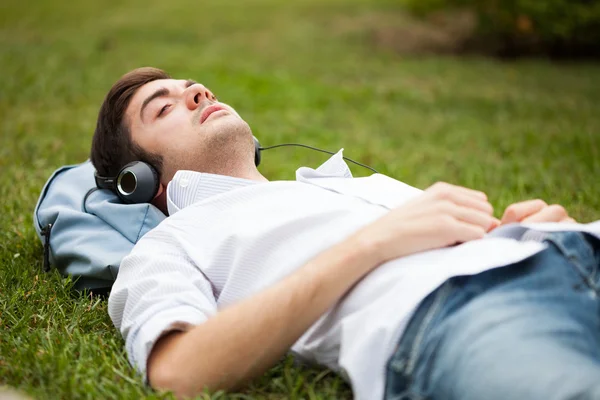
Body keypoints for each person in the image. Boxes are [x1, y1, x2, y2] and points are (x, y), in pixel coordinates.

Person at [92, 67, 600, 400]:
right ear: (141, 181)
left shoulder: (350, 184)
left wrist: (511, 231)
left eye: (191, 88)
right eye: (164, 107)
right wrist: (371, 244)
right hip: (464, 316)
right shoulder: (169, 245)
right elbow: (178, 372)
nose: (198, 91)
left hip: (569, 248)